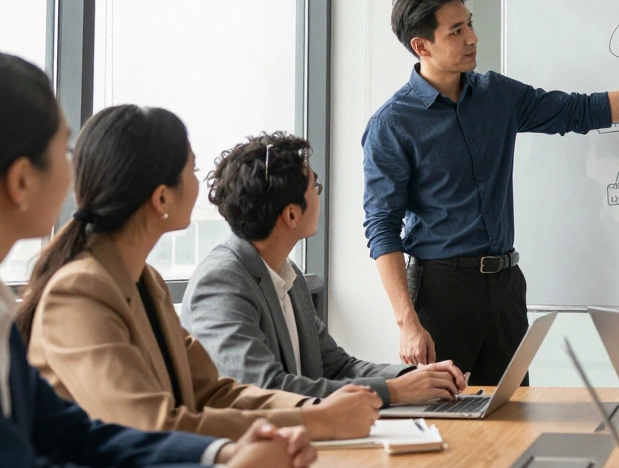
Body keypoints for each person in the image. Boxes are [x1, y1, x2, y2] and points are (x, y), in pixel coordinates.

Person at [0, 52, 316, 468]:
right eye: (66, 148)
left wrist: (221, 456)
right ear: (20, 181)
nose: (78, 169)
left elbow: (73, 437)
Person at [363, 0, 619, 383]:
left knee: (511, 416)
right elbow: (382, 227)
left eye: (470, 24)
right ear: (421, 46)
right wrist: (406, 323)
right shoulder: (393, 124)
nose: (472, 37)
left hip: (504, 288)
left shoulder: (495, 95)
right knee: (443, 422)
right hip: (440, 293)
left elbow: (581, 111)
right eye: (457, 31)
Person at [20, 105, 381, 442]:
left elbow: (214, 391)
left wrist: (315, 411)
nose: (203, 184)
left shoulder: (147, 281)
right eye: (191, 170)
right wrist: (312, 421)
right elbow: (153, 425)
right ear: (162, 199)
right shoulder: (80, 291)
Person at [182, 132, 468, 406]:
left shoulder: (286, 273)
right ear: (292, 214)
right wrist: (393, 391)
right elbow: (264, 388)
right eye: (315, 188)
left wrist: (417, 379)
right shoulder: (221, 281)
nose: (320, 196)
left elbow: (336, 367)